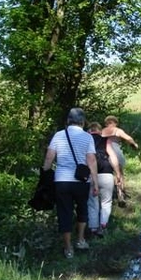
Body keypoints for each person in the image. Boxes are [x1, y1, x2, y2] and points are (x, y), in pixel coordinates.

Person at [42, 107, 99, 258]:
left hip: (61, 181)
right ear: (83, 121)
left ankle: (68, 249)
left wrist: (45, 173)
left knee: (64, 212)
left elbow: (49, 157)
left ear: (68, 120)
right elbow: (91, 160)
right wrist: (95, 182)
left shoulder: (59, 135)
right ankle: (80, 240)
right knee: (82, 210)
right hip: (81, 181)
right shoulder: (88, 137)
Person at [87, 122, 123, 236]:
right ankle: (103, 225)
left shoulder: (85, 140)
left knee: (92, 203)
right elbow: (112, 156)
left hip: (90, 175)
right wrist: (118, 173)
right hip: (106, 173)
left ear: (89, 131)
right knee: (106, 202)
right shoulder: (105, 140)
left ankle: (93, 228)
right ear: (100, 131)